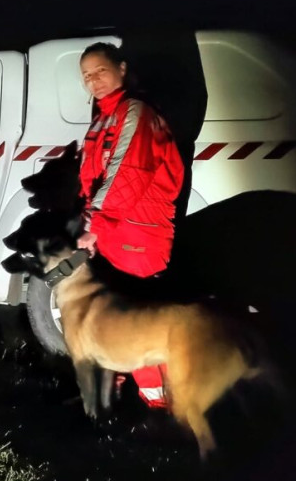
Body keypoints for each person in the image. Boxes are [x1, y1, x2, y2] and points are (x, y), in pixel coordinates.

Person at [77, 43, 184, 408]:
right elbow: (93, 178)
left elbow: (128, 172)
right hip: (113, 233)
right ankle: (115, 397)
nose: (94, 81)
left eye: (100, 71)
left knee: (142, 322)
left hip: (138, 234)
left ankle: (162, 407)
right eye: (87, 76)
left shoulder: (134, 112)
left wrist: (95, 224)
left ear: (121, 68)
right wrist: (90, 223)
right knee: (117, 319)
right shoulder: (104, 116)